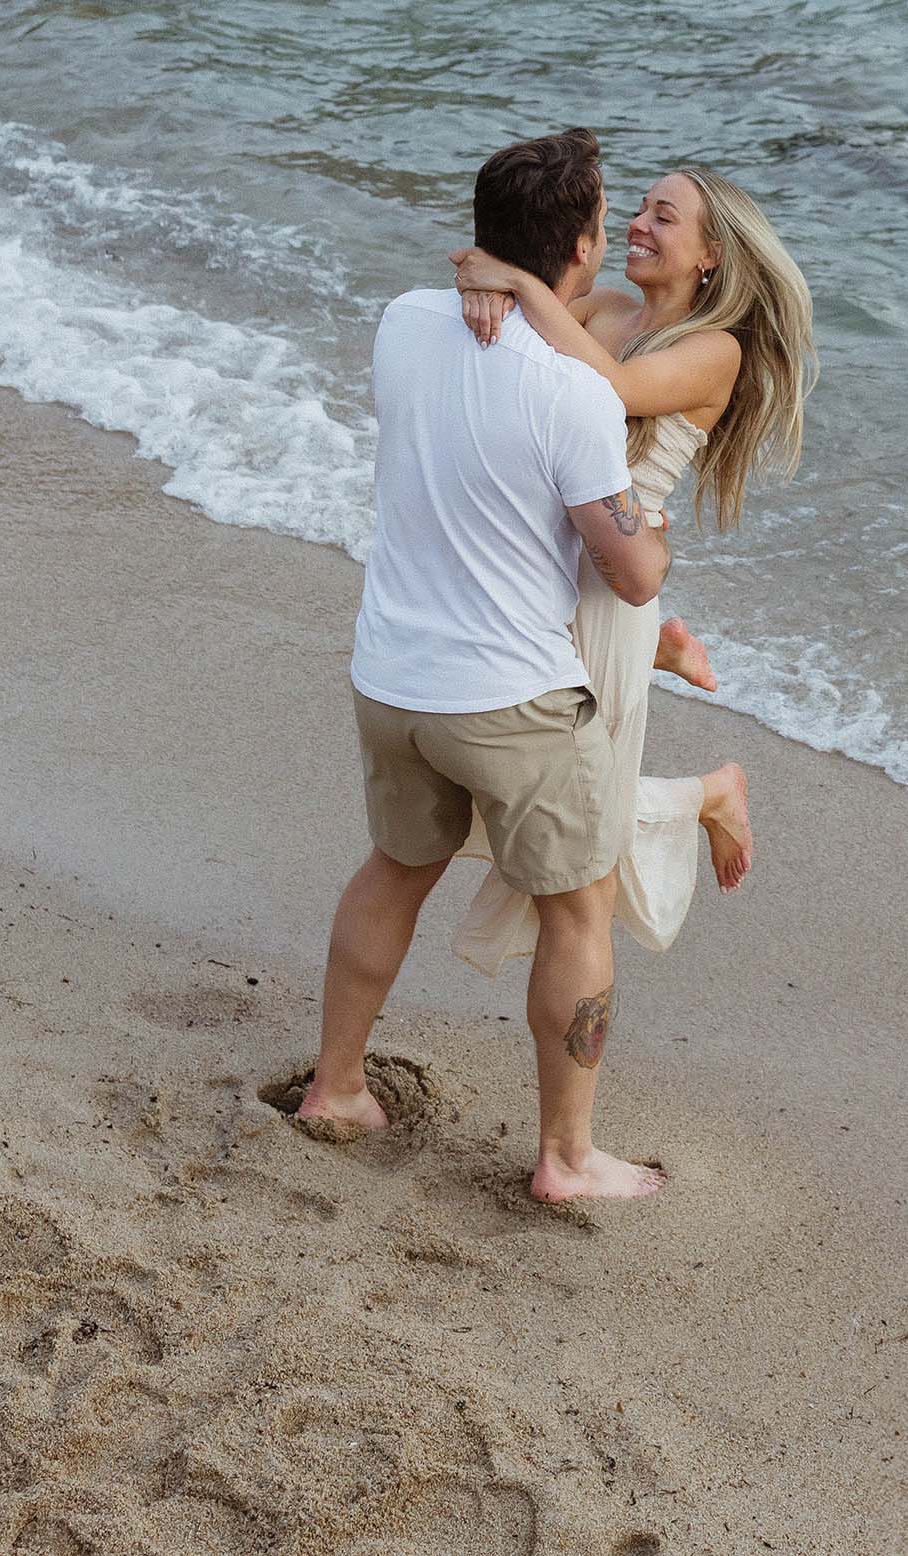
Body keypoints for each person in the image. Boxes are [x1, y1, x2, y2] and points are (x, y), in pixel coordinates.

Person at [298, 128, 671, 1204]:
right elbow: (631, 575)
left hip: (391, 677)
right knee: (579, 912)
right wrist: (654, 529)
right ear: (584, 247)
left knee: (395, 869)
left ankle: (336, 1087)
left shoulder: (402, 322)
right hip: (511, 700)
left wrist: (486, 278)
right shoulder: (574, 394)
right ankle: (568, 1158)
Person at [448, 167, 815, 975]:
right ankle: (685, 720)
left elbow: (609, 386)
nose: (639, 225)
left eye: (664, 216)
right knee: (514, 787)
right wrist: (491, 294)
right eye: (640, 209)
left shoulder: (713, 352)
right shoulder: (603, 309)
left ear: (710, 255)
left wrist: (514, 280)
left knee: (577, 821)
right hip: (536, 571)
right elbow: (513, 366)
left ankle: (710, 787)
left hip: (608, 595)